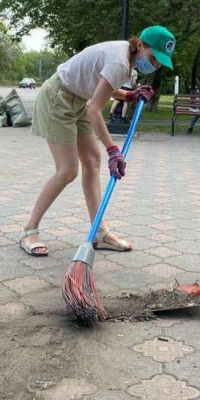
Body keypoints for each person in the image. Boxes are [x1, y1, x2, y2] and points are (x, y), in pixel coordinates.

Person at [20, 26, 176, 256]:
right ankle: (29, 230)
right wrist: (113, 149)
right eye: (154, 58)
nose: (155, 65)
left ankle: (99, 232)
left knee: (92, 161)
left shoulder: (128, 62)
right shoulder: (120, 62)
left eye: (160, 62)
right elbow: (95, 110)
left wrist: (130, 95)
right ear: (141, 45)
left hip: (79, 98)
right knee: (67, 170)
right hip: (58, 98)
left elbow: (104, 90)